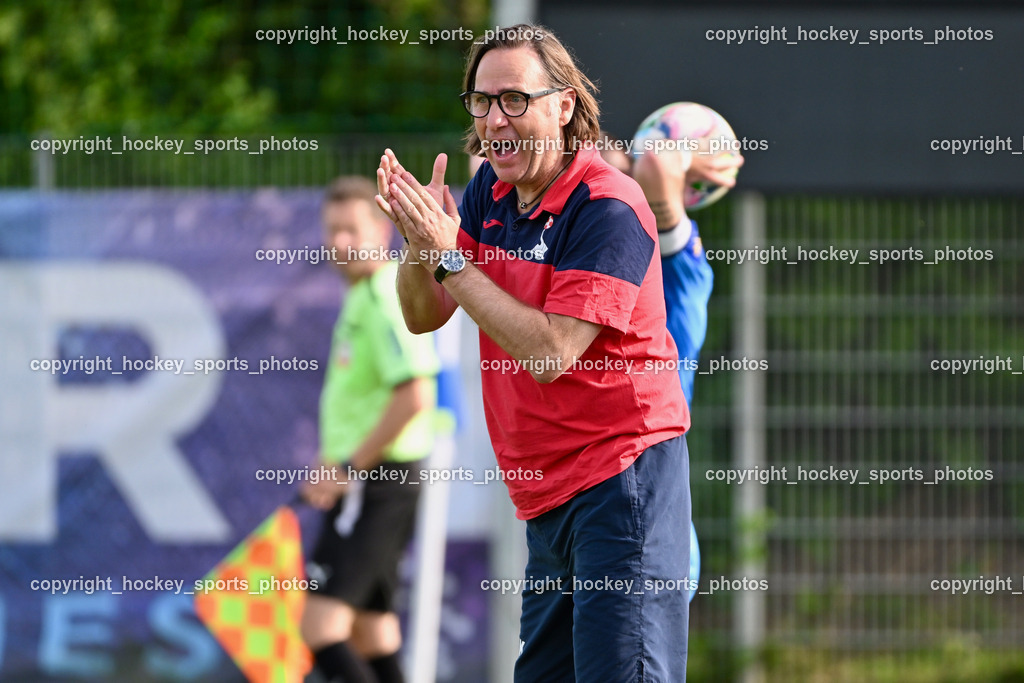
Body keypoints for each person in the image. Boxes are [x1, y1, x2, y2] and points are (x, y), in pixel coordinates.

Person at [378, 24, 692, 682]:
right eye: (482, 101)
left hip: (622, 481)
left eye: (515, 99)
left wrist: (450, 257)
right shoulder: (487, 196)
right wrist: (418, 247)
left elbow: (553, 350)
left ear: (564, 106)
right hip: (547, 497)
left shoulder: (607, 203)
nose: (496, 119)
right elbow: (420, 313)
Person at [299, 176, 440, 683]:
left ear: (381, 231)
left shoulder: (385, 295)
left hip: (376, 483)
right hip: (374, 481)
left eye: (351, 230)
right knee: (371, 631)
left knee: (319, 627)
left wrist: (345, 467)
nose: (340, 243)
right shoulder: (365, 294)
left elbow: (416, 395)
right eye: (331, 230)